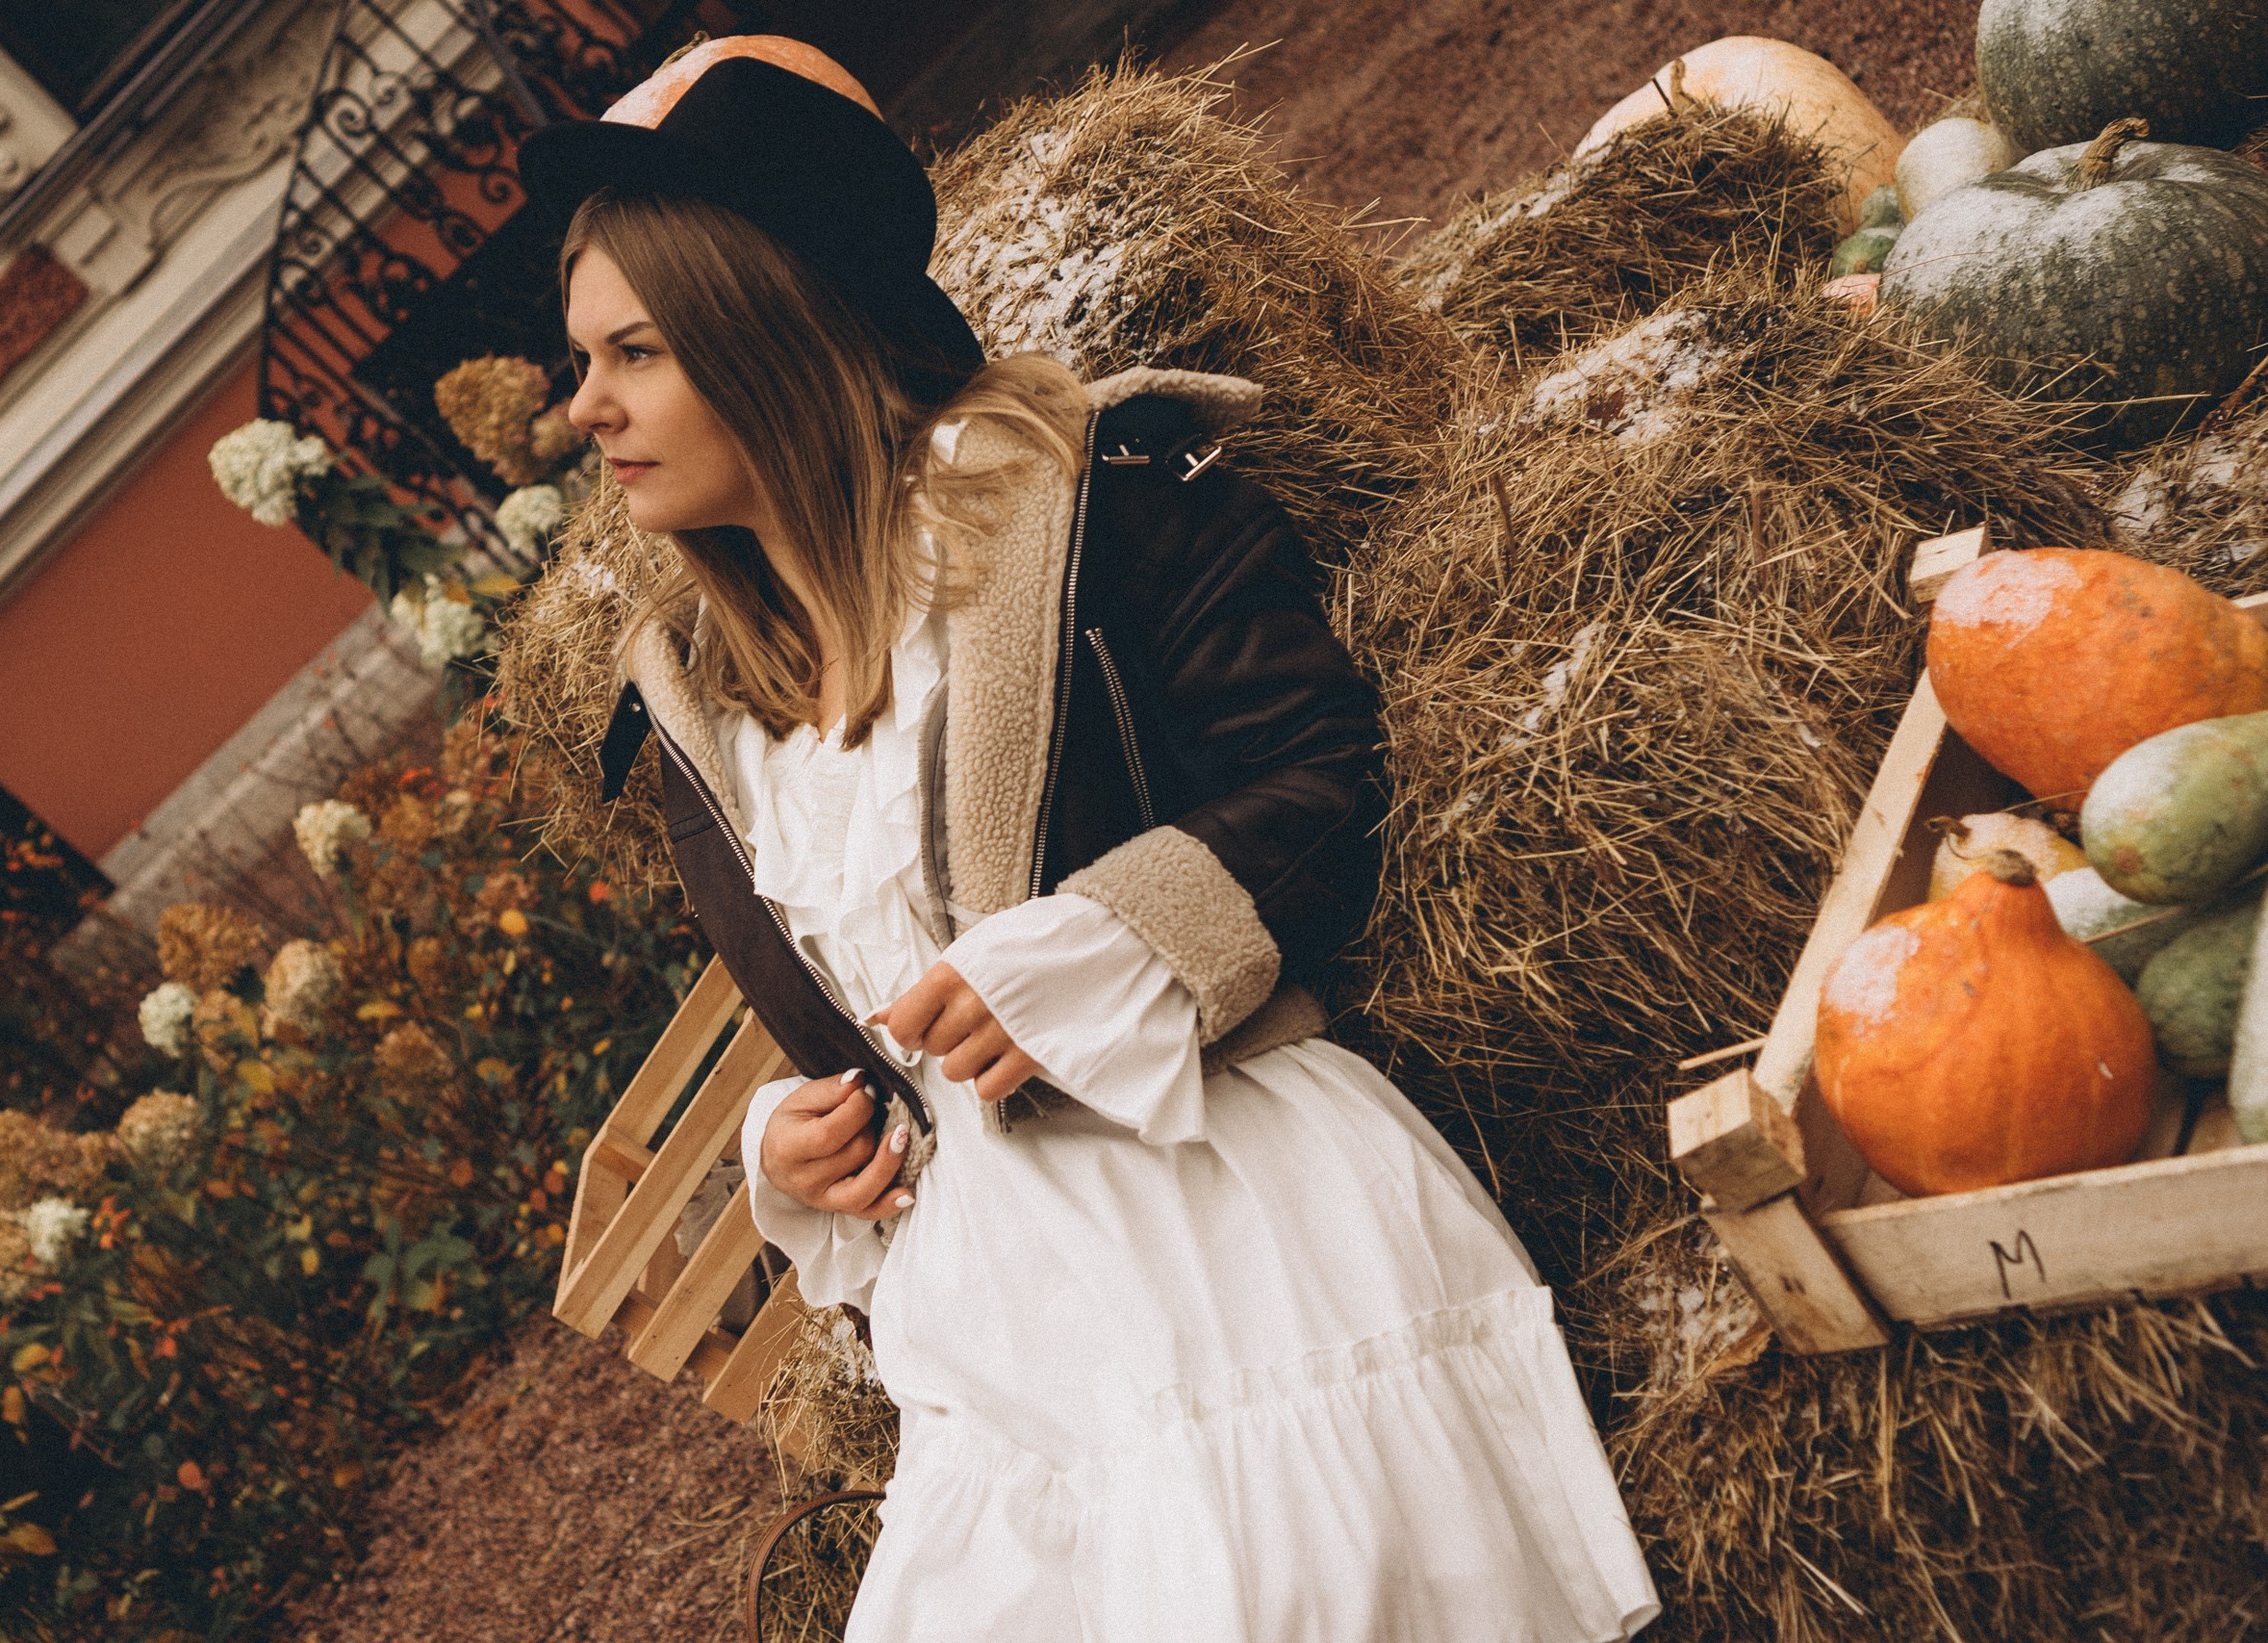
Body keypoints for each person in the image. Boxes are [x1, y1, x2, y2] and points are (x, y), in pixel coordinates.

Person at [521, 38, 1658, 1642]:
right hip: (1001, 1337)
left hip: (1230, 1233)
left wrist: (1110, 944)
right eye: (586, 360)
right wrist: (807, 1143)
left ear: (770, 333)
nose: (587, 409)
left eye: (632, 353)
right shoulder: (715, 713)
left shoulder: (1102, 503)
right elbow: (878, 1025)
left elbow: (1319, 772)